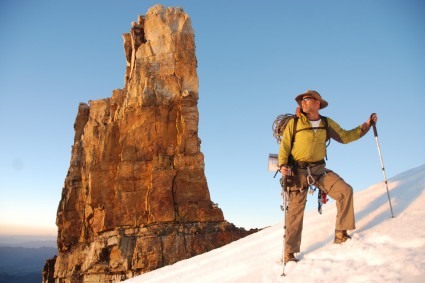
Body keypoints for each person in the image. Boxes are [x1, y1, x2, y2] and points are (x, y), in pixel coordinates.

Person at [278, 90, 378, 264]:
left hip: (319, 169)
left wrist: (367, 125)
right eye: (302, 100)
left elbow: (346, 137)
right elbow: (285, 146)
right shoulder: (294, 123)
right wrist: (283, 166)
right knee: (295, 212)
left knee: (345, 191)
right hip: (298, 171)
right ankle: (289, 253)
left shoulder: (326, 123)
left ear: (317, 103)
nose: (303, 101)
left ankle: (341, 234)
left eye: (307, 99)